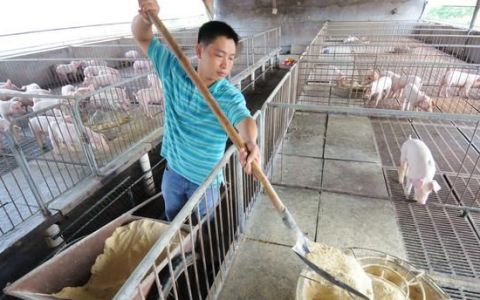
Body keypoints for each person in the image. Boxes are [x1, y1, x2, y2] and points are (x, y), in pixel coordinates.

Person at [132, 0, 260, 221]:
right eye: (219, 55)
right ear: (199, 50)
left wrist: (250, 141)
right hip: (173, 172)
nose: (226, 65)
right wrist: (144, 19)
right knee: (173, 218)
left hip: (206, 182)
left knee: (201, 225)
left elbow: (243, 118)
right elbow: (142, 37)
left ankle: (195, 249)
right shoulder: (173, 70)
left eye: (231, 58)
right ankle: (179, 251)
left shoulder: (227, 95)